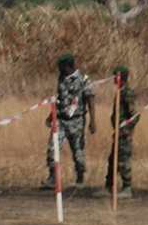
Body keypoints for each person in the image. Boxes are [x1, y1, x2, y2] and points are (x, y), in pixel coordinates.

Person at [43, 53, 95, 191]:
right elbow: (61, 98)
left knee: (78, 150)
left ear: (67, 65)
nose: (58, 68)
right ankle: (53, 176)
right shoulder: (61, 78)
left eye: (60, 65)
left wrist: (92, 121)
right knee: (53, 147)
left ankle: (79, 178)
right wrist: (51, 116)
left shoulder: (83, 79)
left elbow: (90, 98)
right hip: (61, 119)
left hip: (76, 120)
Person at [100, 66, 137, 198]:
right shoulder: (120, 91)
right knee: (113, 160)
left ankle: (127, 187)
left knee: (123, 160)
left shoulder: (127, 92)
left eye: (116, 77)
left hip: (124, 135)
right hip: (118, 132)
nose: (114, 80)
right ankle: (108, 186)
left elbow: (135, 115)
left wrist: (124, 130)